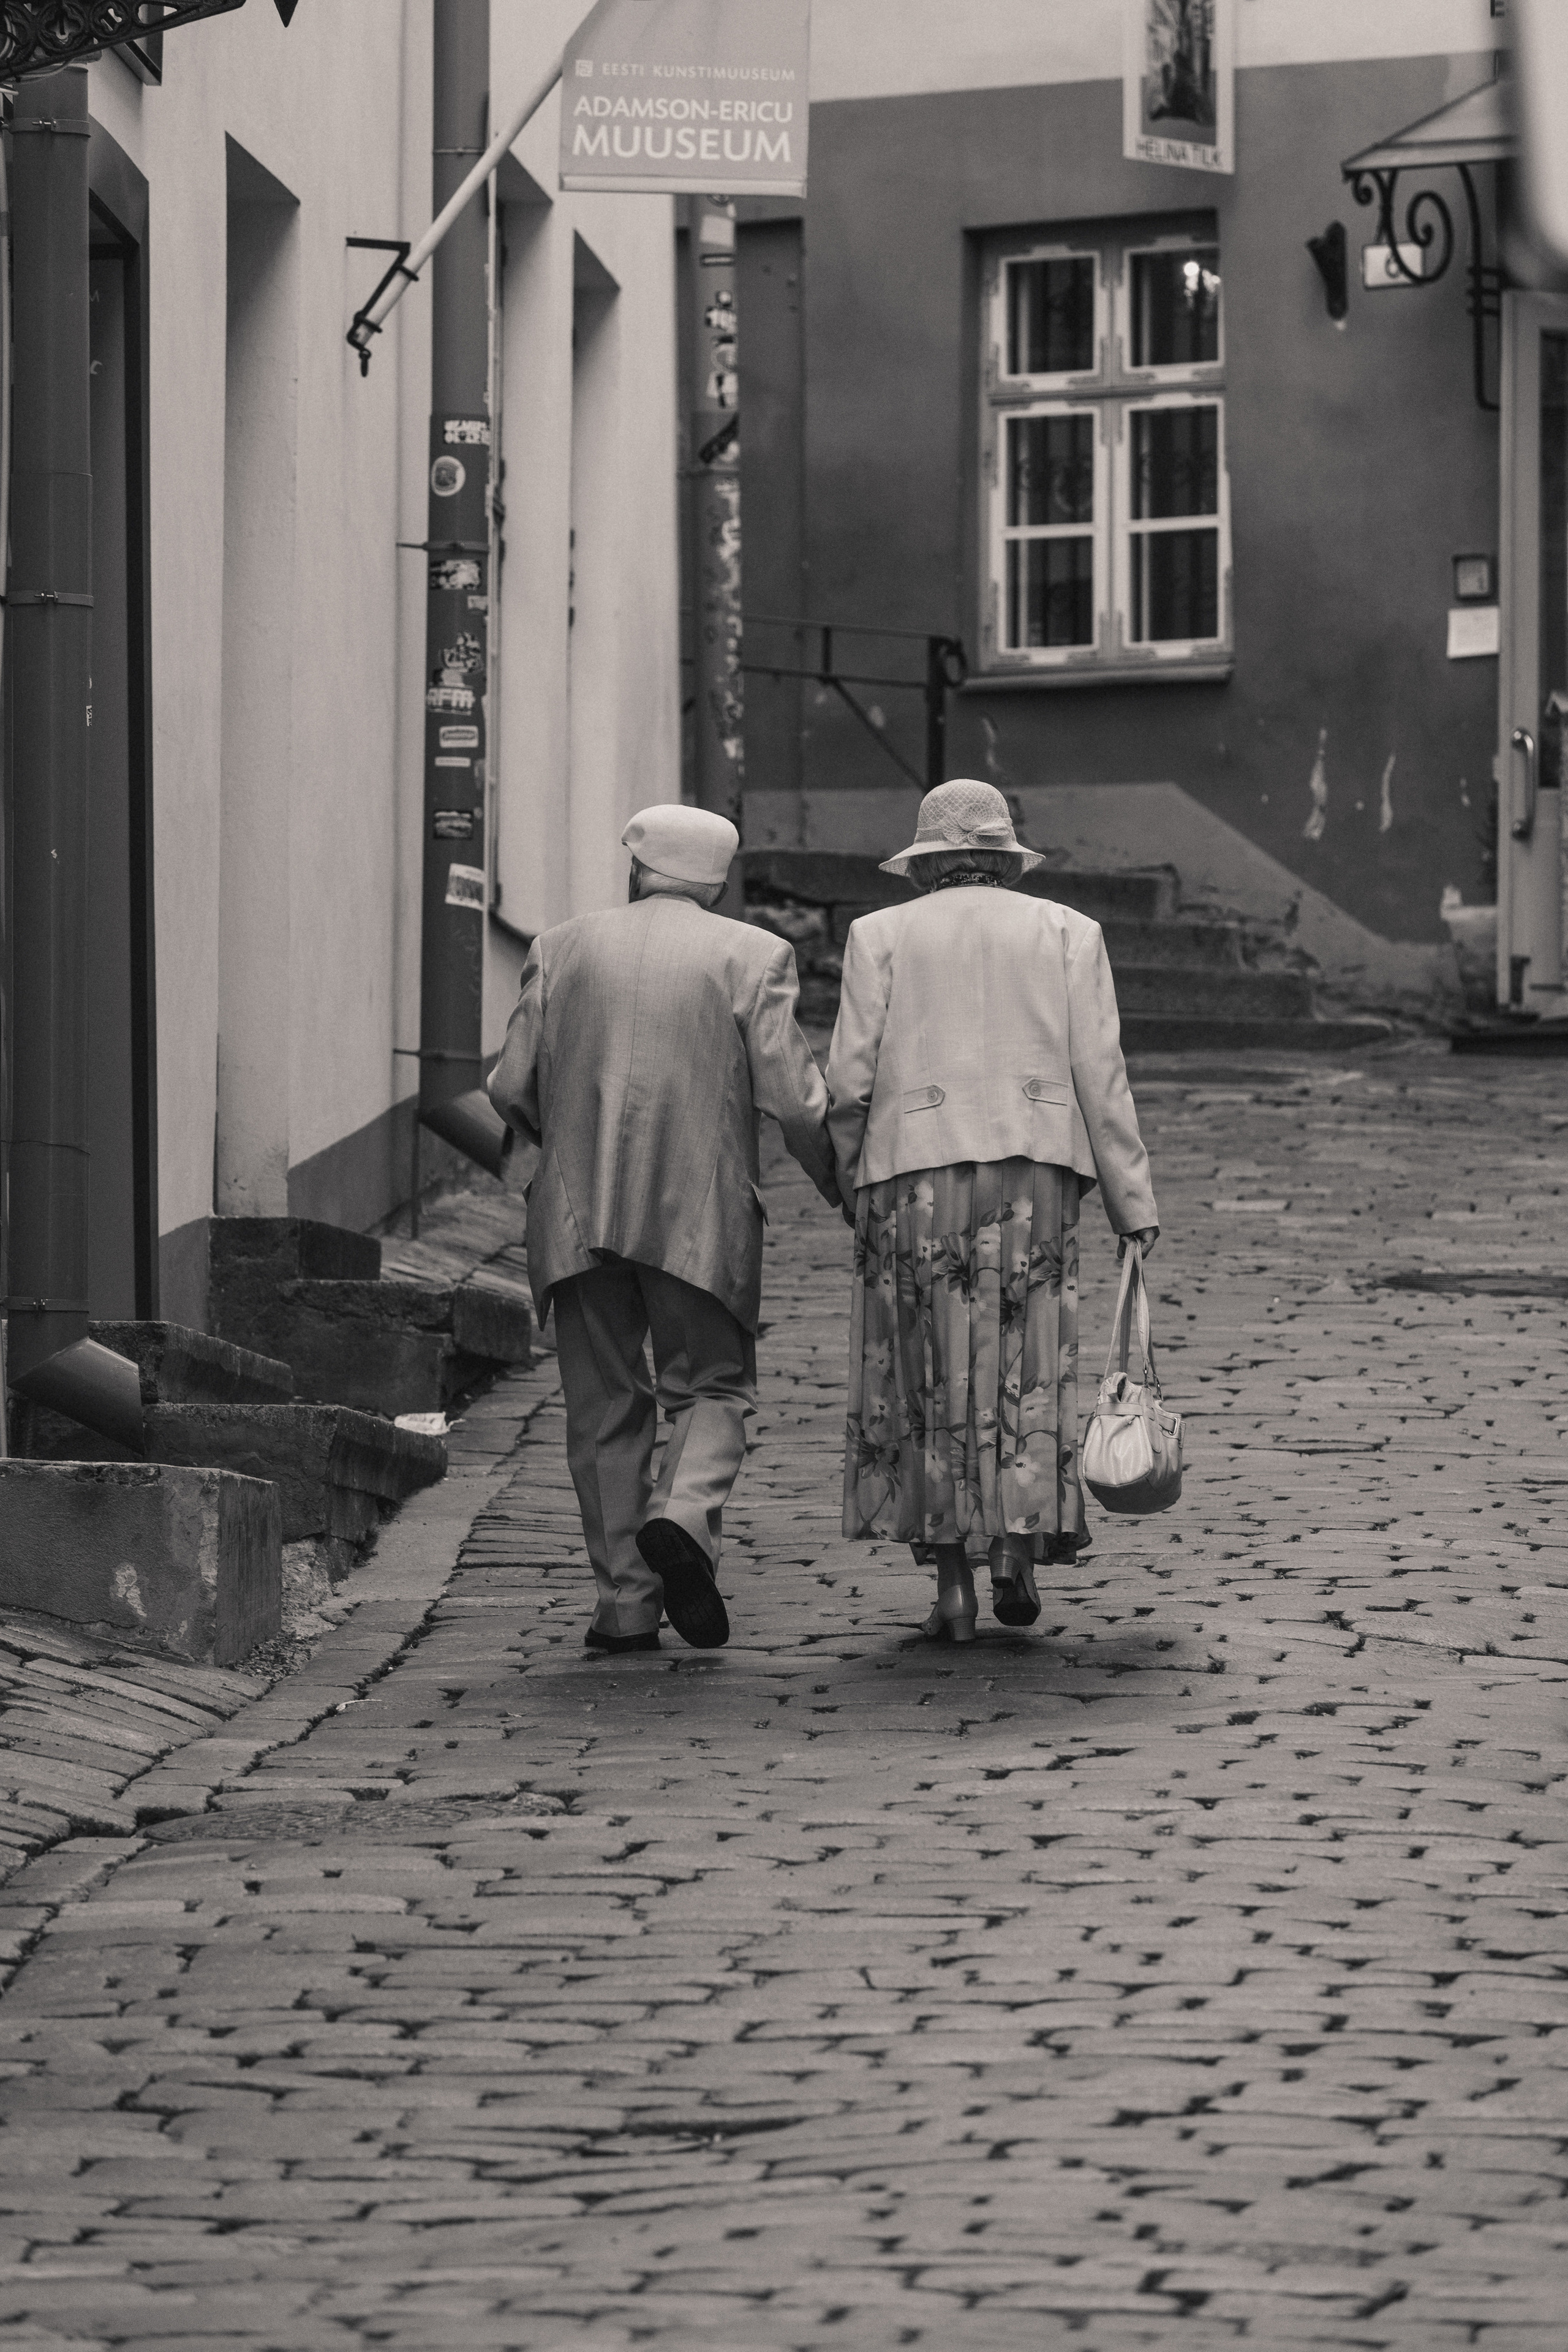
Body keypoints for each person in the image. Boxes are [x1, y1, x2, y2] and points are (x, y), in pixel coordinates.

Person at [488, 803, 840, 1655]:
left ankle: (626, 1607)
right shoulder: (752, 955)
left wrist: (553, 1130)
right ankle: (681, 1514)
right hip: (698, 1213)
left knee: (603, 1405)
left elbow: (509, 1086)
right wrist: (842, 1185)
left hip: (575, 1209)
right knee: (712, 1385)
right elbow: (795, 1100)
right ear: (717, 881)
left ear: (637, 868)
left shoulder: (560, 946)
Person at [825, 779, 1160, 1643]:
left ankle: (952, 1591)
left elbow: (850, 1083)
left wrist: (846, 1181)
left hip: (914, 1177)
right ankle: (1013, 1553)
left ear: (928, 861)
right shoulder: (1068, 932)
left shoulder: (878, 935)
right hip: (1034, 1172)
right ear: (1004, 859)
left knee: (930, 1372)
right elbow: (1102, 1074)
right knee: (1028, 1366)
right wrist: (1131, 1199)